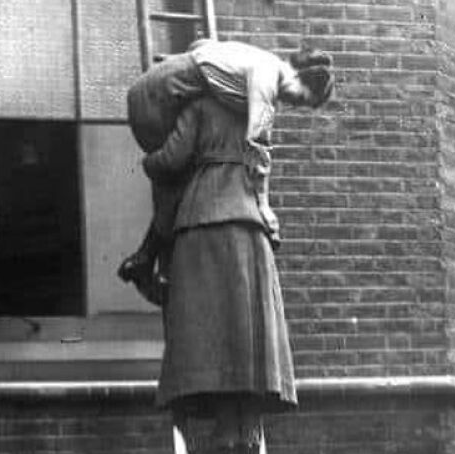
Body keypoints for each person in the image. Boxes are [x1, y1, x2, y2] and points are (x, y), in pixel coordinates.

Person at [119, 39, 334, 301]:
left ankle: (147, 259)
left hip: (151, 85)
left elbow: (200, 45)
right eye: (299, 98)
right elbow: (258, 144)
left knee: (177, 175)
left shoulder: (256, 56)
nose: (291, 103)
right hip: (156, 98)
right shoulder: (267, 76)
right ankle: (158, 268)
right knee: (177, 173)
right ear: (299, 75)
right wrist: (264, 206)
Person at [143, 94, 297, 454]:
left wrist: (149, 160)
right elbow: (262, 162)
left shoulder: (197, 107)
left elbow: (173, 158)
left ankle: (227, 432)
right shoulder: (257, 110)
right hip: (250, 223)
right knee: (248, 330)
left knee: (217, 328)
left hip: (206, 217)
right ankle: (248, 430)